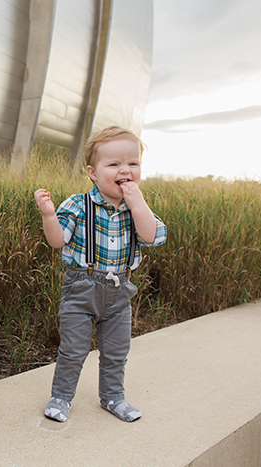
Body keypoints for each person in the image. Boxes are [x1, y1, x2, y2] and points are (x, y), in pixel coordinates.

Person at [33, 126, 167, 423]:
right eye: (114, 164)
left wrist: (137, 203)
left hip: (120, 293)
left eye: (133, 163)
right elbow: (57, 240)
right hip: (82, 289)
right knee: (74, 348)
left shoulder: (138, 209)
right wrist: (48, 215)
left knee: (117, 351)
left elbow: (152, 236)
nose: (125, 170)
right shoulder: (79, 205)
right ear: (93, 173)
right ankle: (61, 397)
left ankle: (113, 397)